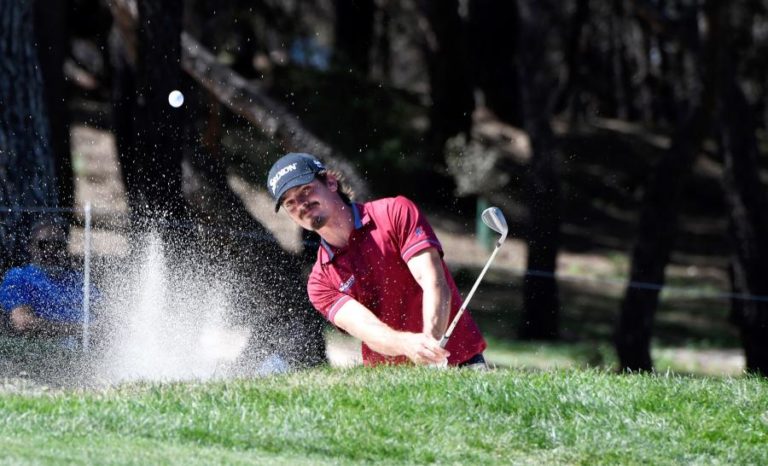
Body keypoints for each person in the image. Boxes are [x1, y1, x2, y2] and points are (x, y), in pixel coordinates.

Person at [267, 153, 488, 367]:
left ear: (331, 183)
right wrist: (412, 346)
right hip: (392, 382)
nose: (301, 204)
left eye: (306, 190)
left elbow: (433, 282)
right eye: (290, 203)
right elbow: (368, 330)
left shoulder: (394, 212)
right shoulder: (320, 283)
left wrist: (431, 343)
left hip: (461, 362)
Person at [0, 219, 99, 342]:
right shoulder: (18, 277)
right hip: (46, 348)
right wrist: (81, 330)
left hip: (88, 347)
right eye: (43, 244)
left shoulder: (78, 279)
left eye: (58, 245)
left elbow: (104, 312)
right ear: (30, 246)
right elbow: (23, 323)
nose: (51, 250)